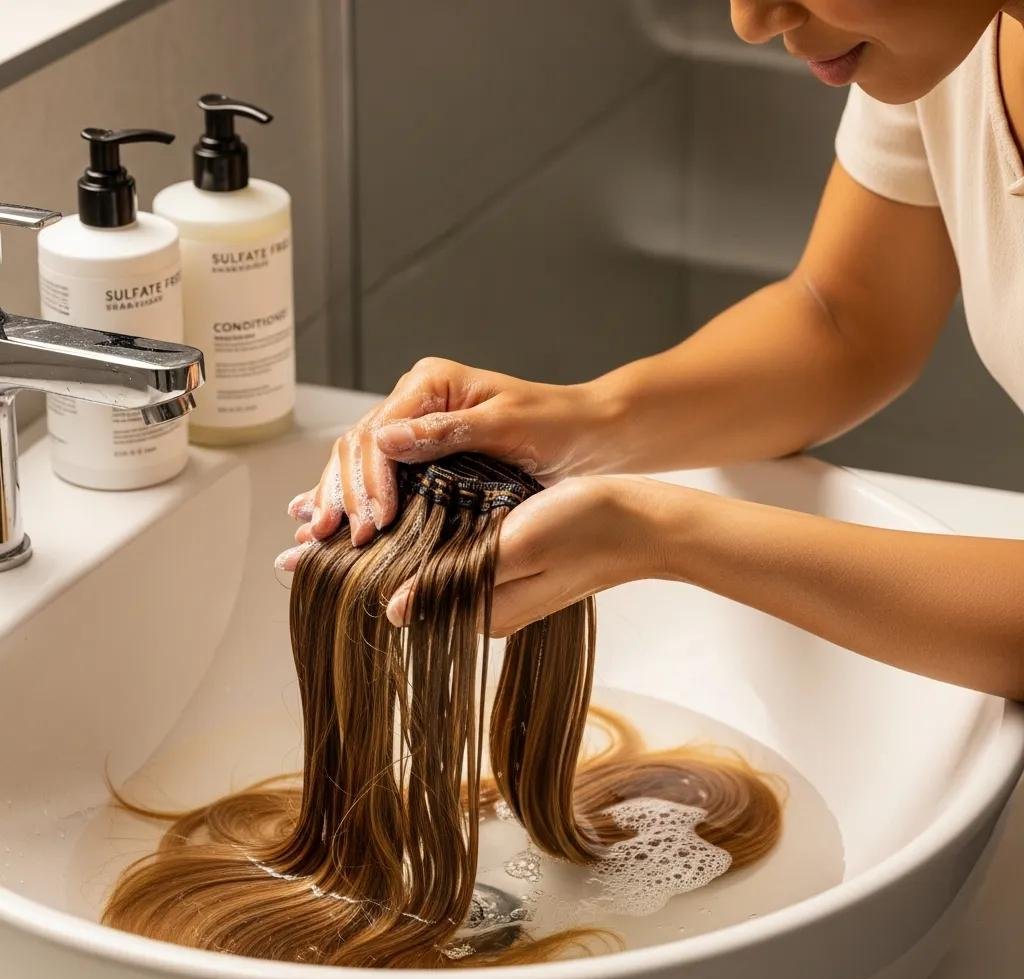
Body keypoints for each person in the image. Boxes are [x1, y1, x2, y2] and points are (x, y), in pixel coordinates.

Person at [278, 0, 1024, 700]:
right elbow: (846, 319)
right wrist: (575, 422)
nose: (752, 20)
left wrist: (662, 535)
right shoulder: (947, 34)